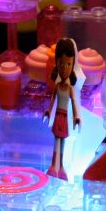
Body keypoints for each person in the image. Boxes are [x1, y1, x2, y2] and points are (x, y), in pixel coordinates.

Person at [44, 38, 81, 179]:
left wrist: (76, 117)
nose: (64, 67)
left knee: (62, 141)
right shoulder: (57, 86)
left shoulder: (70, 88)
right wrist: (48, 112)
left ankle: (61, 167)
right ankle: (53, 165)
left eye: (68, 64)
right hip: (58, 116)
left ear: (72, 65)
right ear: (56, 63)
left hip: (64, 118)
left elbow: (74, 103)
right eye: (61, 63)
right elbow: (53, 100)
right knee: (56, 140)